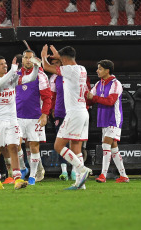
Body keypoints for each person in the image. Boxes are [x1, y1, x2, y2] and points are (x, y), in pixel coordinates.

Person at [41, 45, 92, 190]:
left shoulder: (69, 70)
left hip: (74, 113)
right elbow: (63, 63)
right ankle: (79, 184)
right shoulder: (82, 68)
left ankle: (82, 169)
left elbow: (46, 67)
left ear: (63, 59)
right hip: (83, 112)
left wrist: (43, 56)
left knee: (58, 146)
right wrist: (58, 56)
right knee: (75, 147)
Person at [0, 55, 39, 190]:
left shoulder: (12, 79)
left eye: (6, 63)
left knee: (14, 147)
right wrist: (12, 71)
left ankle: (17, 179)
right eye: (1, 64)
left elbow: (30, 78)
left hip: (12, 119)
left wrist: (37, 66)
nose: (5, 65)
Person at [86, 60, 129, 183]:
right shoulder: (99, 84)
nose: (97, 71)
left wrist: (93, 97)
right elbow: (91, 100)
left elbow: (110, 101)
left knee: (105, 145)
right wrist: (86, 95)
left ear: (107, 70)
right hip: (103, 119)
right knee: (114, 148)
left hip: (113, 119)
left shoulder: (116, 84)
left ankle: (103, 175)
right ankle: (124, 176)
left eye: (99, 68)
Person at [15, 50, 51, 185]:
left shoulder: (41, 76)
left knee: (34, 146)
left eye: (30, 58)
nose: (28, 60)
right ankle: (23, 168)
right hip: (17, 116)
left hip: (34, 117)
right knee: (15, 144)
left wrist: (44, 114)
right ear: (22, 59)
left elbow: (47, 98)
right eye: (25, 57)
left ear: (34, 60)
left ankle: (32, 176)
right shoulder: (16, 75)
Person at [49, 57, 74, 181]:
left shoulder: (74, 74)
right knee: (61, 143)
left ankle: (75, 170)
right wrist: (52, 110)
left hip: (74, 113)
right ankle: (64, 171)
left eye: (56, 63)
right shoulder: (53, 78)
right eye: (52, 64)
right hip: (60, 113)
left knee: (74, 142)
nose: (54, 66)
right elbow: (51, 97)